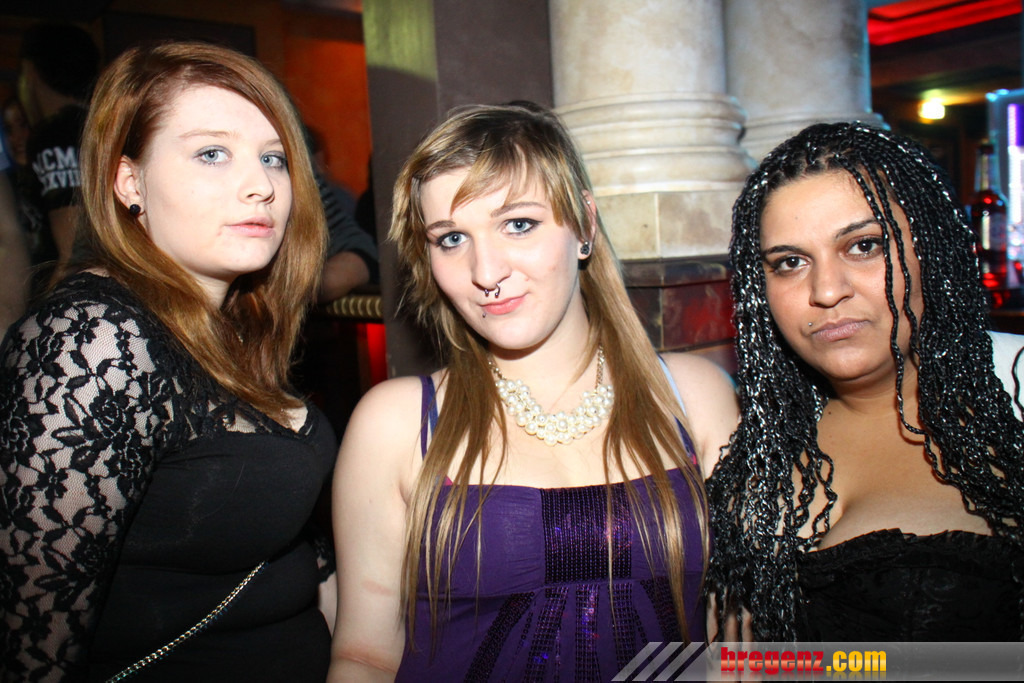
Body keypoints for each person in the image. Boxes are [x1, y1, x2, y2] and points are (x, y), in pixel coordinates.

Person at [329, 102, 738, 680]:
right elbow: (365, 656)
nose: (485, 271)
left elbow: (739, 633)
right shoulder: (394, 423)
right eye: (451, 238)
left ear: (584, 226)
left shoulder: (695, 396)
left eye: (518, 224)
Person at [1, 41, 335, 680]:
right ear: (130, 182)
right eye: (212, 153)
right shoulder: (95, 340)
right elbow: (33, 651)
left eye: (273, 158)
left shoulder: (237, 322)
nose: (261, 186)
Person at [706, 121, 1024, 642]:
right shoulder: (754, 440)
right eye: (790, 262)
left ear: (931, 250)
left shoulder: (1015, 393)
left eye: (864, 246)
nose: (827, 290)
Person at [18, 22, 100, 276]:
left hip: (78, 290)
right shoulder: (99, 126)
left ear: (30, 72)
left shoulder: (57, 134)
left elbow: (73, 251)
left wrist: (55, 299)